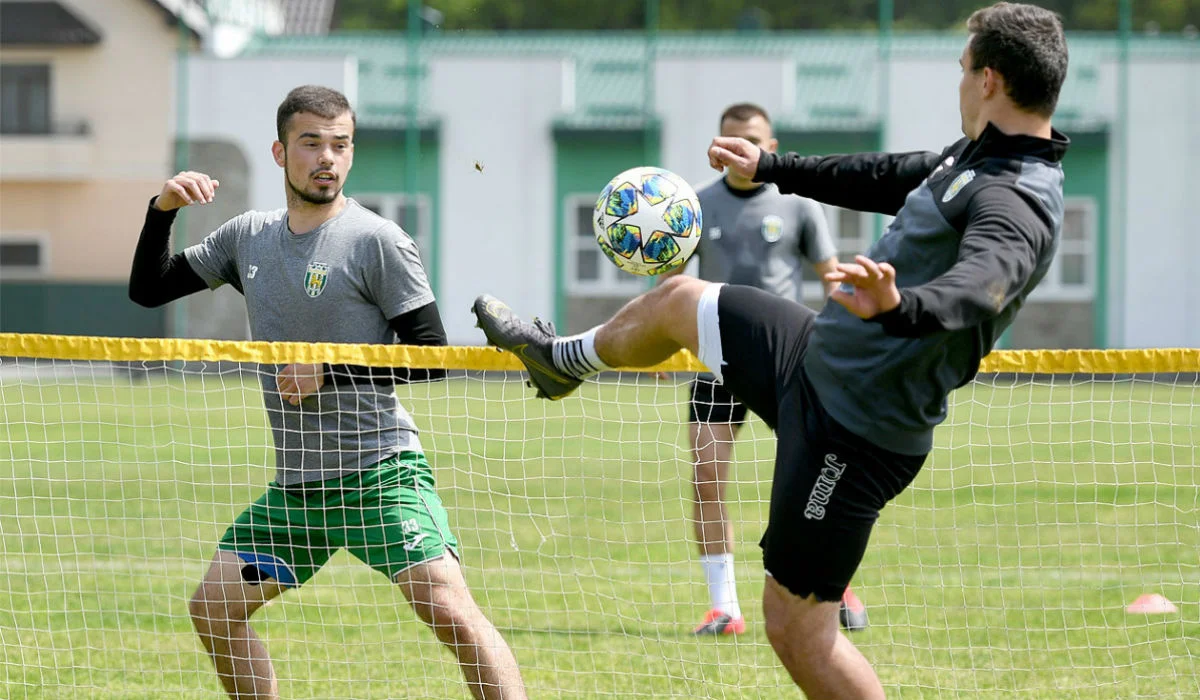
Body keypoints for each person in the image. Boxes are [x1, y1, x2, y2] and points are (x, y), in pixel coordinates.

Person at [472, 3, 1068, 696]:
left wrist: (902, 305)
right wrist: (773, 165)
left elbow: (985, 283)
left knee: (795, 629)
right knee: (678, 301)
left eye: (963, 70)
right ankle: (560, 361)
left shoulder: (1019, 195)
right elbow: (885, 174)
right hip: (813, 356)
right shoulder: (974, 157)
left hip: (856, 430)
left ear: (989, 80)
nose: (958, 83)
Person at [129, 85, 526, 700]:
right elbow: (148, 289)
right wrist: (163, 210)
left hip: (381, 475)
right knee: (213, 609)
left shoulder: (378, 240)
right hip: (299, 491)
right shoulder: (248, 237)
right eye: (311, 143)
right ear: (280, 152)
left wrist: (330, 370)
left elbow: (431, 357)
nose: (326, 158)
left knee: (450, 612)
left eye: (340, 144)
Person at [660, 103, 862, 636]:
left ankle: (834, 584)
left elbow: (829, 277)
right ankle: (723, 606)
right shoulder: (696, 206)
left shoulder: (798, 205)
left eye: (749, 140)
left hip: (787, 364)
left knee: (814, 481)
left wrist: (849, 341)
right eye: (727, 140)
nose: (737, 149)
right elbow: (673, 288)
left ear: (769, 147)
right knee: (706, 477)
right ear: (715, 146)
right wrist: (658, 343)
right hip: (715, 363)